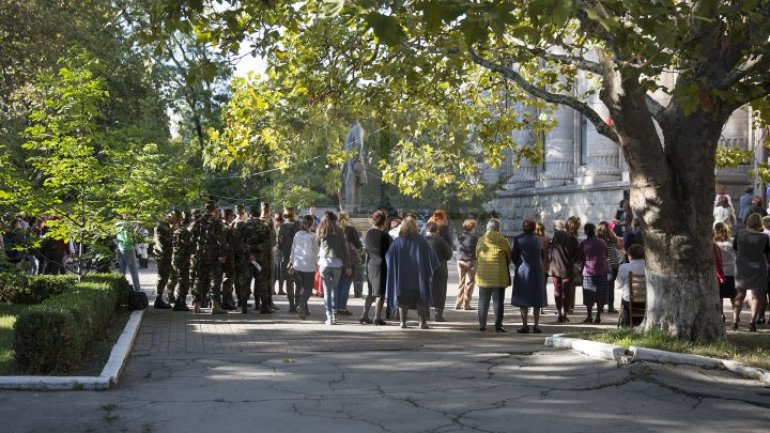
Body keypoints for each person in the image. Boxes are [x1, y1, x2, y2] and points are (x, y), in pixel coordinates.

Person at [386, 215, 439, 329]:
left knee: (402, 299)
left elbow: (389, 257)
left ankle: (403, 322)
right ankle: (422, 323)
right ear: (415, 226)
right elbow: (432, 258)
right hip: (419, 278)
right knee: (420, 299)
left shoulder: (398, 241)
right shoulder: (422, 241)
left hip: (402, 277)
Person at [733, 213, 770, 332]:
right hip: (758, 267)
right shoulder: (764, 237)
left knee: (739, 295)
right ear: (760, 223)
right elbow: (766, 252)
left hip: (742, 266)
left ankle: (734, 322)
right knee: (756, 297)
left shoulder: (740, 233)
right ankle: (752, 323)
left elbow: (735, 247)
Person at [189, 203, 228, 315]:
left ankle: (196, 305)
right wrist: (223, 254)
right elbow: (221, 239)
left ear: (205, 210)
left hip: (199, 255)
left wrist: (193, 251)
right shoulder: (217, 222)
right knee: (215, 279)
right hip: (213, 256)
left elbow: (190, 237)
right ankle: (215, 306)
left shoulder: (197, 222)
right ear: (214, 210)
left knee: (198, 279)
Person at [475, 218, 511, 332]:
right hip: (499, 276)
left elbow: (477, 255)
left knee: (482, 301)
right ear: (498, 228)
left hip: (484, 276)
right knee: (498, 302)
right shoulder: (503, 240)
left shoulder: (481, 240)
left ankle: (482, 326)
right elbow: (509, 257)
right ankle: (498, 326)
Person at [238, 205, 275, 314]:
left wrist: (248, 252)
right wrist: (257, 248)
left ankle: (243, 307)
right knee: (261, 282)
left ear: (251, 214)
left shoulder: (245, 226)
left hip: (248, 258)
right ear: (260, 213)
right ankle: (263, 306)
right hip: (261, 259)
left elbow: (239, 242)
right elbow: (269, 243)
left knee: (246, 282)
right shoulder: (265, 226)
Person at [511, 219, 546, 333]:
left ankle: (525, 325)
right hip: (537, 270)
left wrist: (519, 264)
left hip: (523, 270)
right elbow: (542, 255)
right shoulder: (539, 239)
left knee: (523, 298)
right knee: (537, 297)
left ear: (523, 227)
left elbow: (514, 256)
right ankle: (536, 325)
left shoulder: (518, 239)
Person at [317, 211, 351, 325]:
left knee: (326, 291)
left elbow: (318, 245)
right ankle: (334, 314)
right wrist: (347, 265)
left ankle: (329, 316)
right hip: (337, 263)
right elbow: (344, 249)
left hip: (324, 263)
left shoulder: (321, 229)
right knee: (334, 289)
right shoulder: (340, 231)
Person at [360, 210, 391, 325]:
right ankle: (377, 318)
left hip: (370, 265)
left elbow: (365, 249)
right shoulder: (385, 236)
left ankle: (364, 315)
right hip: (381, 265)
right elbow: (390, 251)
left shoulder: (368, 233)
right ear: (384, 222)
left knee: (370, 292)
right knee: (380, 293)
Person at [549, 217, 580, 323]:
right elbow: (576, 257)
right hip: (567, 269)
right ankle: (564, 313)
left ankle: (559, 312)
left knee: (557, 291)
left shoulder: (557, 235)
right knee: (566, 293)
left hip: (556, 268)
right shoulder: (574, 240)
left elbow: (552, 248)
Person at [289, 215, 320, 320]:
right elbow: (316, 252)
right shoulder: (313, 236)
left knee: (301, 287)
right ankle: (302, 305)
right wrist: (318, 263)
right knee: (308, 288)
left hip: (298, 264)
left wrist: (291, 263)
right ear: (312, 224)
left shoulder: (297, 234)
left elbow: (293, 249)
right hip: (309, 265)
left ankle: (304, 308)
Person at [579, 222, 610, 324]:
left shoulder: (584, 243)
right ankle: (598, 316)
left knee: (589, 295)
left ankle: (589, 316)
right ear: (594, 231)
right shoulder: (602, 242)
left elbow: (581, 257)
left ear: (586, 232)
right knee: (600, 295)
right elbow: (606, 255)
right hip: (601, 271)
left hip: (588, 272)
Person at [424, 221, 453, 322]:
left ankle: (425, 314)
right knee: (440, 291)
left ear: (426, 229)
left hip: (425, 268)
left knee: (425, 290)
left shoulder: (421, 240)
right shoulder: (440, 241)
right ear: (437, 230)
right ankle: (438, 315)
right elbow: (449, 254)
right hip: (440, 268)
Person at [335, 212, 362, 316]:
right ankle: (342, 308)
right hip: (349, 262)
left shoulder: (334, 230)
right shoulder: (350, 230)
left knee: (337, 285)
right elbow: (358, 245)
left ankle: (335, 307)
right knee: (345, 285)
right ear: (348, 218)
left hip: (336, 261)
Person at [615, 244, 646, 327]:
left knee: (625, 295)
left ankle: (626, 325)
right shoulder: (649, 268)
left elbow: (618, 286)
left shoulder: (624, 267)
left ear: (630, 256)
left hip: (629, 303)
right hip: (646, 302)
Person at [713, 222, 738, 324]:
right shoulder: (732, 241)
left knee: (720, 296)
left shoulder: (714, 242)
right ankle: (735, 316)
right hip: (732, 271)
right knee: (733, 296)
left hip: (718, 272)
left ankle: (721, 314)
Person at [278, 207, 301, 312]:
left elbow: (279, 243)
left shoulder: (282, 226)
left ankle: (291, 305)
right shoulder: (299, 225)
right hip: (299, 257)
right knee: (299, 282)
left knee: (289, 282)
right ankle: (297, 303)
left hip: (286, 258)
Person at [171, 212, 193, 311]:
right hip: (183, 260)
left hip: (176, 259)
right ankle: (180, 303)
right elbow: (189, 247)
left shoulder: (176, 231)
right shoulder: (186, 232)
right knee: (183, 281)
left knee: (179, 280)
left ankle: (178, 301)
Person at [597, 221, 621, 314]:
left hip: (601, 265)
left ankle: (601, 307)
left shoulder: (597, 239)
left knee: (601, 286)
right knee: (611, 287)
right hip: (613, 265)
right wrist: (614, 236)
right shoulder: (612, 238)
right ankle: (610, 307)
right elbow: (619, 247)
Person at [153, 213, 176, 309]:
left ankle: (165, 297)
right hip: (162, 256)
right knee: (162, 277)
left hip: (167, 256)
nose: (171, 218)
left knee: (168, 277)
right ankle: (158, 300)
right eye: (169, 216)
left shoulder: (166, 226)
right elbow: (163, 242)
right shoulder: (160, 227)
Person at [455, 218, 479, 310]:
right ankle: (466, 304)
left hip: (460, 260)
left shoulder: (458, 236)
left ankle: (457, 303)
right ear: (472, 227)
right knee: (469, 283)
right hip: (471, 261)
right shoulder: (475, 238)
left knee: (461, 282)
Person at [115, 217, 142, 291]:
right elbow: (128, 239)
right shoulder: (128, 225)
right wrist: (135, 234)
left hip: (120, 249)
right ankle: (137, 289)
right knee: (134, 271)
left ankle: (120, 289)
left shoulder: (117, 224)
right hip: (128, 249)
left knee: (121, 271)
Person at [220, 208, 238, 310]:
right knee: (228, 280)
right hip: (227, 258)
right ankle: (225, 302)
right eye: (232, 215)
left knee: (225, 280)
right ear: (228, 216)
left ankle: (225, 301)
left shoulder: (222, 226)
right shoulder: (226, 228)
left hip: (224, 257)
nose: (233, 217)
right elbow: (228, 243)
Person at [534, 222, 550, 312]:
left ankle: (534, 304)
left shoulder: (533, 239)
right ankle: (542, 306)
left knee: (534, 286)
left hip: (534, 266)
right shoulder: (547, 239)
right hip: (544, 266)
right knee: (543, 287)